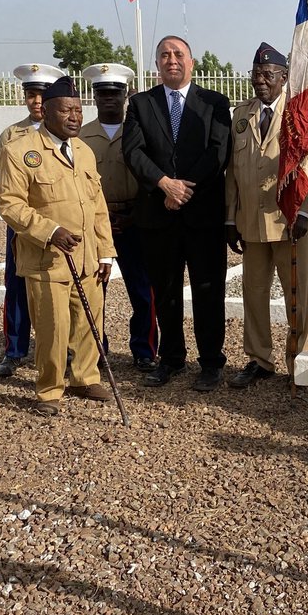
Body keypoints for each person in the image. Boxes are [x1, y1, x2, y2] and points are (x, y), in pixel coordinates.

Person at [0, 76, 115, 416]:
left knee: (89, 320)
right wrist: (50, 231)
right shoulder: (21, 151)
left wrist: (105, 251)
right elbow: (10, 204)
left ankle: (85, 376)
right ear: (46, 112)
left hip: (87, 257)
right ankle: (49, 388)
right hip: (47, 258)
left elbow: (97, 205)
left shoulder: (84, 151)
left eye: (78, 110)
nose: (75, 117)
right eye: (66, 110)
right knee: (53, 326)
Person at [122, 36, 232, 390]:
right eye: (165, 55)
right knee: (165, 290)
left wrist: (182, 188)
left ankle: (211, 362)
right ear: (157, 64)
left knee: (207, 290)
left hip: (202, 216)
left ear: (192, 62)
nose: (172, 60)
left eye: (178, 54)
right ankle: (170, 358)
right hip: (158, 214)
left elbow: (218, 152)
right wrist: (164, 184)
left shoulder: (214, 103)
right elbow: (133, 151)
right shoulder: (140, 104)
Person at [225, 42, 308, 387]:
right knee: (254, 292)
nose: (260, 80)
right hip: (250, 221)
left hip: (289, 220)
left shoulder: (299, 114)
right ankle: (260, 359)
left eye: (268, 74)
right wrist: (230, 219)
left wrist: (306, 212)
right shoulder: (241, 115)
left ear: (283, 77)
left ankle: (301, 363)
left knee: (298, 295)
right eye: (256, 74)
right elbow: (233, 171)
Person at [79, 62, 159, 371]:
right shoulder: (82, 137)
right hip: (98, 224)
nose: (109, 99)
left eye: (115, 93)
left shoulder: (139, 133)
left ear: (126, 95)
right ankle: (96, 349)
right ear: (94, 97)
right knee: (94, 290)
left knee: (143, 290)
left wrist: (136, 215)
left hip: (136, 220)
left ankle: (144, 350)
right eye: (102, 93)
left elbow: (151, 178)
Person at [0, 63, 65, 378]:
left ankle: (68, 348)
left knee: (64, 286)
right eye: (30, 94)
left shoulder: (66, 129)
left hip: (60, 223)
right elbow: (7, 187)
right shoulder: (12, 135)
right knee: (17, 285)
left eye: (42, 95)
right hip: (22, 226)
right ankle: (15, 350)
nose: (36, 101)